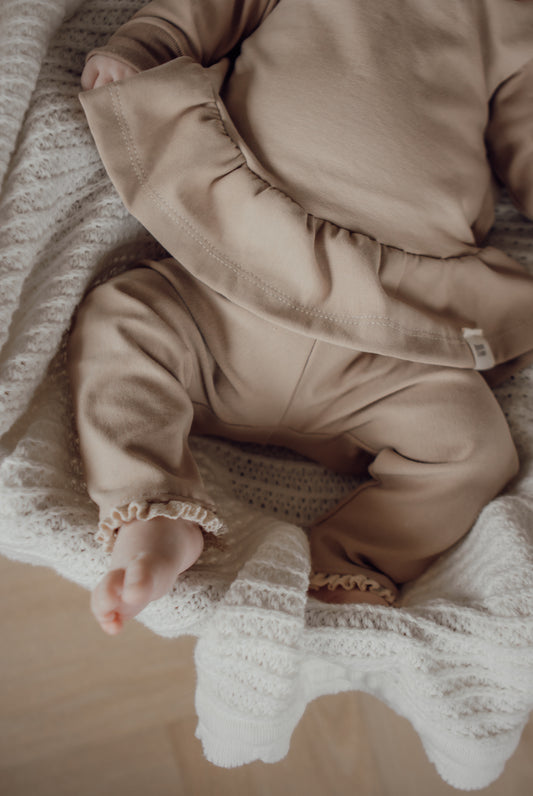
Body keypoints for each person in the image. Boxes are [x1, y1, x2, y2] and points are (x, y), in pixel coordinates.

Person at [68, 0, 533, 634]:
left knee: (474, 448)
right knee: (122, 321)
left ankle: (347, 561)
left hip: (384, 331)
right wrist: (145, 45)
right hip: (240, 273)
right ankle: (155, 509)